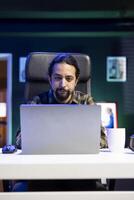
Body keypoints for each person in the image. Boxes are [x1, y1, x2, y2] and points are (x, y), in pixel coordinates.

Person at [13, 53, 107, 192]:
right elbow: (20, 141)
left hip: (80, 174)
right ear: (50, 80)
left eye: (68, 78)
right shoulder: (36, 103)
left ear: (76, 81)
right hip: (42, 175)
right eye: (57, 78)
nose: (63, 84)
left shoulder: (86, 102)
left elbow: (103, 140)